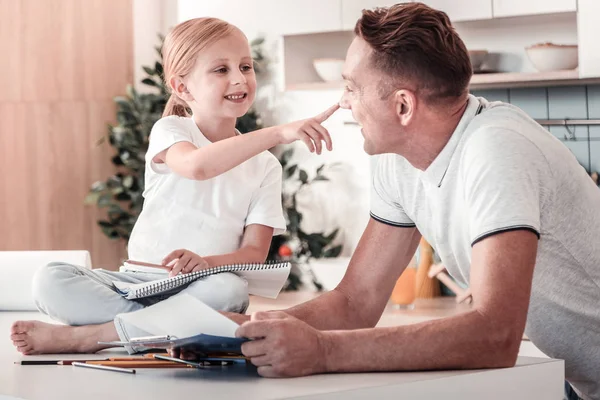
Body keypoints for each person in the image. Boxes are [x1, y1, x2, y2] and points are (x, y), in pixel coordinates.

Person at [228, 4, 599, 399]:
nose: (343, 102)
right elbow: (356, 302)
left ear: (403, 106)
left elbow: (495, 334)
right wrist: (240, 330)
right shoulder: (398, 162)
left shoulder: (496, 149)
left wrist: (322, 350)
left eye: (352, 87)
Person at [10, 17, 338, 355]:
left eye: (245, 66)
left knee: (229, 291)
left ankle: (92, 337)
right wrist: (279, 133)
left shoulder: (266, 166)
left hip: (200, 285)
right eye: (221, 70)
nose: (240, 78)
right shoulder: (170, 131)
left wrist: (207, 263)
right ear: (182, 88)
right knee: (50, 280)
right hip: (133, 283)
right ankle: (169, 328)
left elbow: (253, 252)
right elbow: (198, 166)